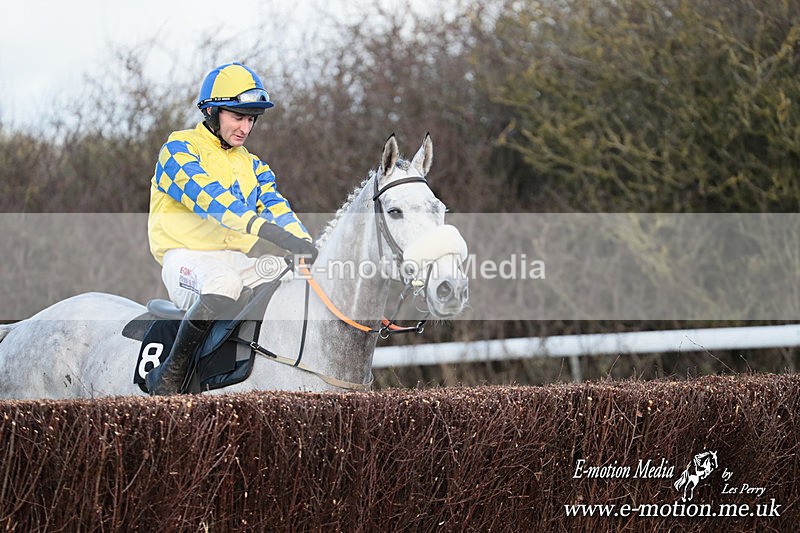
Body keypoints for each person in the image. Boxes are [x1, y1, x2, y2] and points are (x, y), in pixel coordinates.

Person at [145, 62, 317, 395]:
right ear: (211, 111)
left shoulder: (253, 165)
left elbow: (278, 209)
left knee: (290, 276)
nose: (245, 128)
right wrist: (270, 233)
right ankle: (170, 374)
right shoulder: (178, 150)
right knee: (225, 283)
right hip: (186, 261)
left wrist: (306, 243)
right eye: (237, 116)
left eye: (251, 119)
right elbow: (213, 202)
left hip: (236, 260)